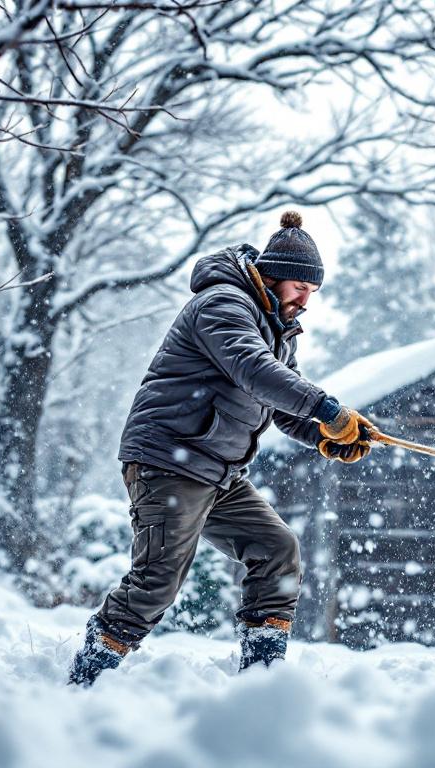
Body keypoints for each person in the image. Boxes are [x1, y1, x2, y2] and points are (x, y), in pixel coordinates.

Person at [68, 211, 377, 686]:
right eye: (300, 288)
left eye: (312, 293)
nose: (305, 301)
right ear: (271, 274)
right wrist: (328, 409)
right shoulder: (222, 304)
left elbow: (274, 402)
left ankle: (261, 678)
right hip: (169, 460)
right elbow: (255, 371)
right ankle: (85, 676)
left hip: (219, 472)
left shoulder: (276, 327)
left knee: (277, 550)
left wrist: (323, 437)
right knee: (158, 581)